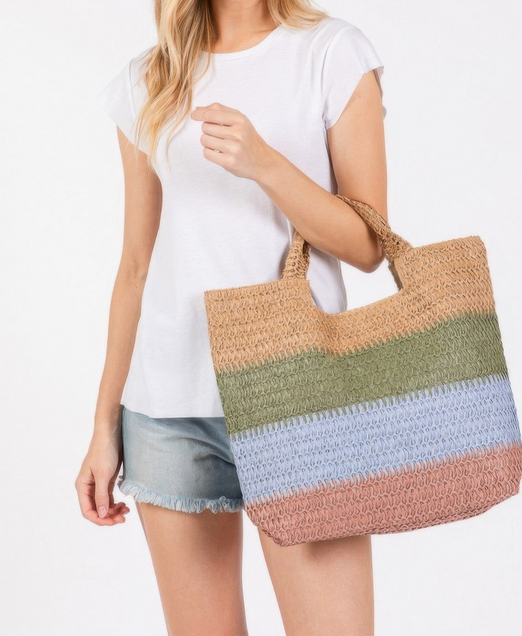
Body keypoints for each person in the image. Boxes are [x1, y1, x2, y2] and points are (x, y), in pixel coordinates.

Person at [75, 1, 387, 634]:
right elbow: (136, 266)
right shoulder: (150, 78)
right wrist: (104, 427)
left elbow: (368, 245)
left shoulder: (331, 52)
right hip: (169, 414)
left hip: (299, 397)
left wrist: (265, 164)